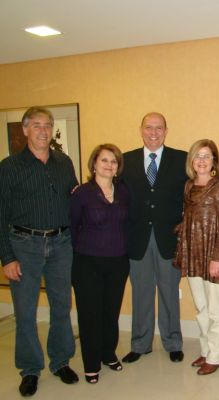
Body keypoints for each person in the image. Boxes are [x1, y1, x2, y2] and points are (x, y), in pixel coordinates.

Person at [0, 107, 79, 397]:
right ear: (25, 130)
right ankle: (30, 369)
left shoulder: (64, 162)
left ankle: (60, 362)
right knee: (25, 311)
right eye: (36, 125)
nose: (43, 131)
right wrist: (7, 257)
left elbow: (75, 199)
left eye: (47, 125)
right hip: (24, 246)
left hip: (61, 244)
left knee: (62, 306)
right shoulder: (9, 167)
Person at [121, 112, 188, 364]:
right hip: (136, 239)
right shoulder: (125, 160)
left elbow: (192, 194)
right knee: (141, 293)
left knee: (170, 292)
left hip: (169, 239)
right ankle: (140, 344)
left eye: (159, 128)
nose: (153, 132)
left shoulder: (181, 159)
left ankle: (173, 342)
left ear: (166, 131)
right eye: (149, 127)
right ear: (141, 130)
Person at [70, 144, 130, 384]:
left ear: (118, 167)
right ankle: (91, 363)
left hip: (118, 262)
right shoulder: (82, 193)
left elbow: (128, 222)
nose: (109, 165)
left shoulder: (123, 191)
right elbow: (73, 227)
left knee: (110, 312)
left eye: (113, 161)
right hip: (88, 263)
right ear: (94, 164)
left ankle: (108, 353)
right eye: (104, 160)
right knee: (90, 314)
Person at [174, 139, 219, 376]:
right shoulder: (189, 186)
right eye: (198, 155)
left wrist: (216, 258)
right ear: (192, 160)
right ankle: (207, 349)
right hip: (194, 254)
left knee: (216, 309)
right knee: (201, 308)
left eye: (207, 156)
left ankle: (216, 357)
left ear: (214, 161)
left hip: (214, 255)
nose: (201, 160)